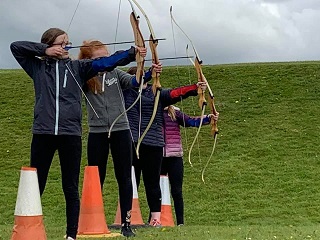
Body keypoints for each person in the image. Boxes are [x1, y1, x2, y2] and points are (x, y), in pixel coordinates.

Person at [10, 28, 146, 240]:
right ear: (51, 45)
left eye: (68, 43)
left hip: (70, 134)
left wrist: (131, 53)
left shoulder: (77, 67)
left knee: (70, 186)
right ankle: (28, 230)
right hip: (43, 132)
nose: (67, 47)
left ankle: (71, 234)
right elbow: (16, 47)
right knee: (38, 182)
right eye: (62, 43)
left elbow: (105, 63)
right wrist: (46, 51)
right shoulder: (36, 67)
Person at [78, 40, 161, 237]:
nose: (105, 61)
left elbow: (134, 82)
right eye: (100, 58)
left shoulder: (115, 73)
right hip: (97, 132)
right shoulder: (84, 74)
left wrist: (149, 71)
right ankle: (92, 220)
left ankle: (126, 223)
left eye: (106, 57)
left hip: (121, 129)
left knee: (124, 177)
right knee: (96, 177)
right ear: (89, 60)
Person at [123, 67, 207, 227]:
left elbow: (175, 93)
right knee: (129, 181)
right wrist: (148, 71)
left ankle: (156, 219)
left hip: (153, 143)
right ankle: (126, 219)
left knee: (152, 182)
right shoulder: (126, 92)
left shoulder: (157, 94)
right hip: (132, 142)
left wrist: (195, 88)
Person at [161, 105, 218, 226]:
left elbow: (190, 121)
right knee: (156, 190)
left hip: (175, 156)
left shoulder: (175, 113)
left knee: (177, 191)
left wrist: (208, 118)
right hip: (157, 157)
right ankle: (154, 219)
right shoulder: (151, 111)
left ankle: (180, 223)